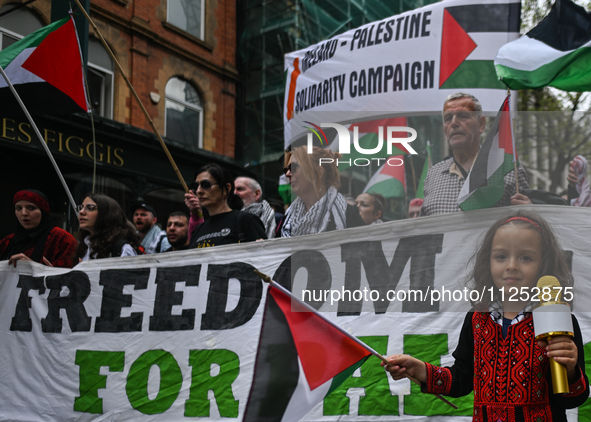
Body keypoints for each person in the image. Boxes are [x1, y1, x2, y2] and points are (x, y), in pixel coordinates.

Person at [382, 210, 589, 421]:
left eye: (526, 257)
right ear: (487, 262)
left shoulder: (561, 321)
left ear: (544, 264)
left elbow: (572, 400)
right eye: (501, 256)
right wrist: (419, 369)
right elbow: (462, 378)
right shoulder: (476, 319)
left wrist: (571, 370)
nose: (511, 266)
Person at [421, 92, 530, 216]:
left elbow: (526, 223)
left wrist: (531, 211)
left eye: (463, 116)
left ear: (481, 124)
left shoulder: (507, 168)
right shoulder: (433, 175)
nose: (454, 123)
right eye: (448, 119)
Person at [279, 146, 364, 236]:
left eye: (293, 167)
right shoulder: (287, 219)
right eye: (286, 170)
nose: (287, 174)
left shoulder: (350, 216)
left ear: (319, 172)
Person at [189, 164, 267, 248]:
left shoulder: (246, 221)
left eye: (206, 185)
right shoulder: (198, 229)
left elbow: (264, 257)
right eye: (196, 186)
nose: (199, 191)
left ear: (226, 189)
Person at [0, 189, 77, 268]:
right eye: (18, 208)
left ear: (43, 211)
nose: (24, 213)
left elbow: (70, 276)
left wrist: (35, 268)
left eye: (31, 208)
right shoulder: (7, 241)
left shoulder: (62, 239)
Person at [75, 193, 140, 261]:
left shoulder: (122, 249)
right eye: (81, 207)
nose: (81, 212)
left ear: (107, 214)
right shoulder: (84, 247)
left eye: (90, 208)